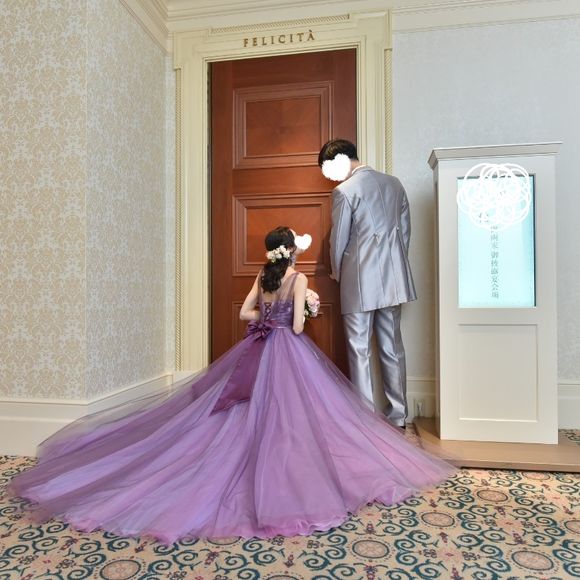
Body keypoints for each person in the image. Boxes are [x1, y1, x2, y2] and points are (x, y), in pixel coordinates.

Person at [9, 227, 452, 544]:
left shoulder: (263, 276)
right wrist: (303, 313)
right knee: (296, 413)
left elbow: (244, 314)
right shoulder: (299, 279)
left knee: (243, 406)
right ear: (291, 253)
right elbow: (299, 328)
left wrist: (267, 317)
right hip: (288, 349)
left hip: (257, 346)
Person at [319, 139, 417, 429]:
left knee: (359, 347)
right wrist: (395, 264)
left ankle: (365, 419)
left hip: (359, 278)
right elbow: (405, 233)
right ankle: (399, 415)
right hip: (394, 277)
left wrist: (337, 273)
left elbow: (338, 240)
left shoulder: (345, 191)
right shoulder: (394, 184)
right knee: (392, 346)